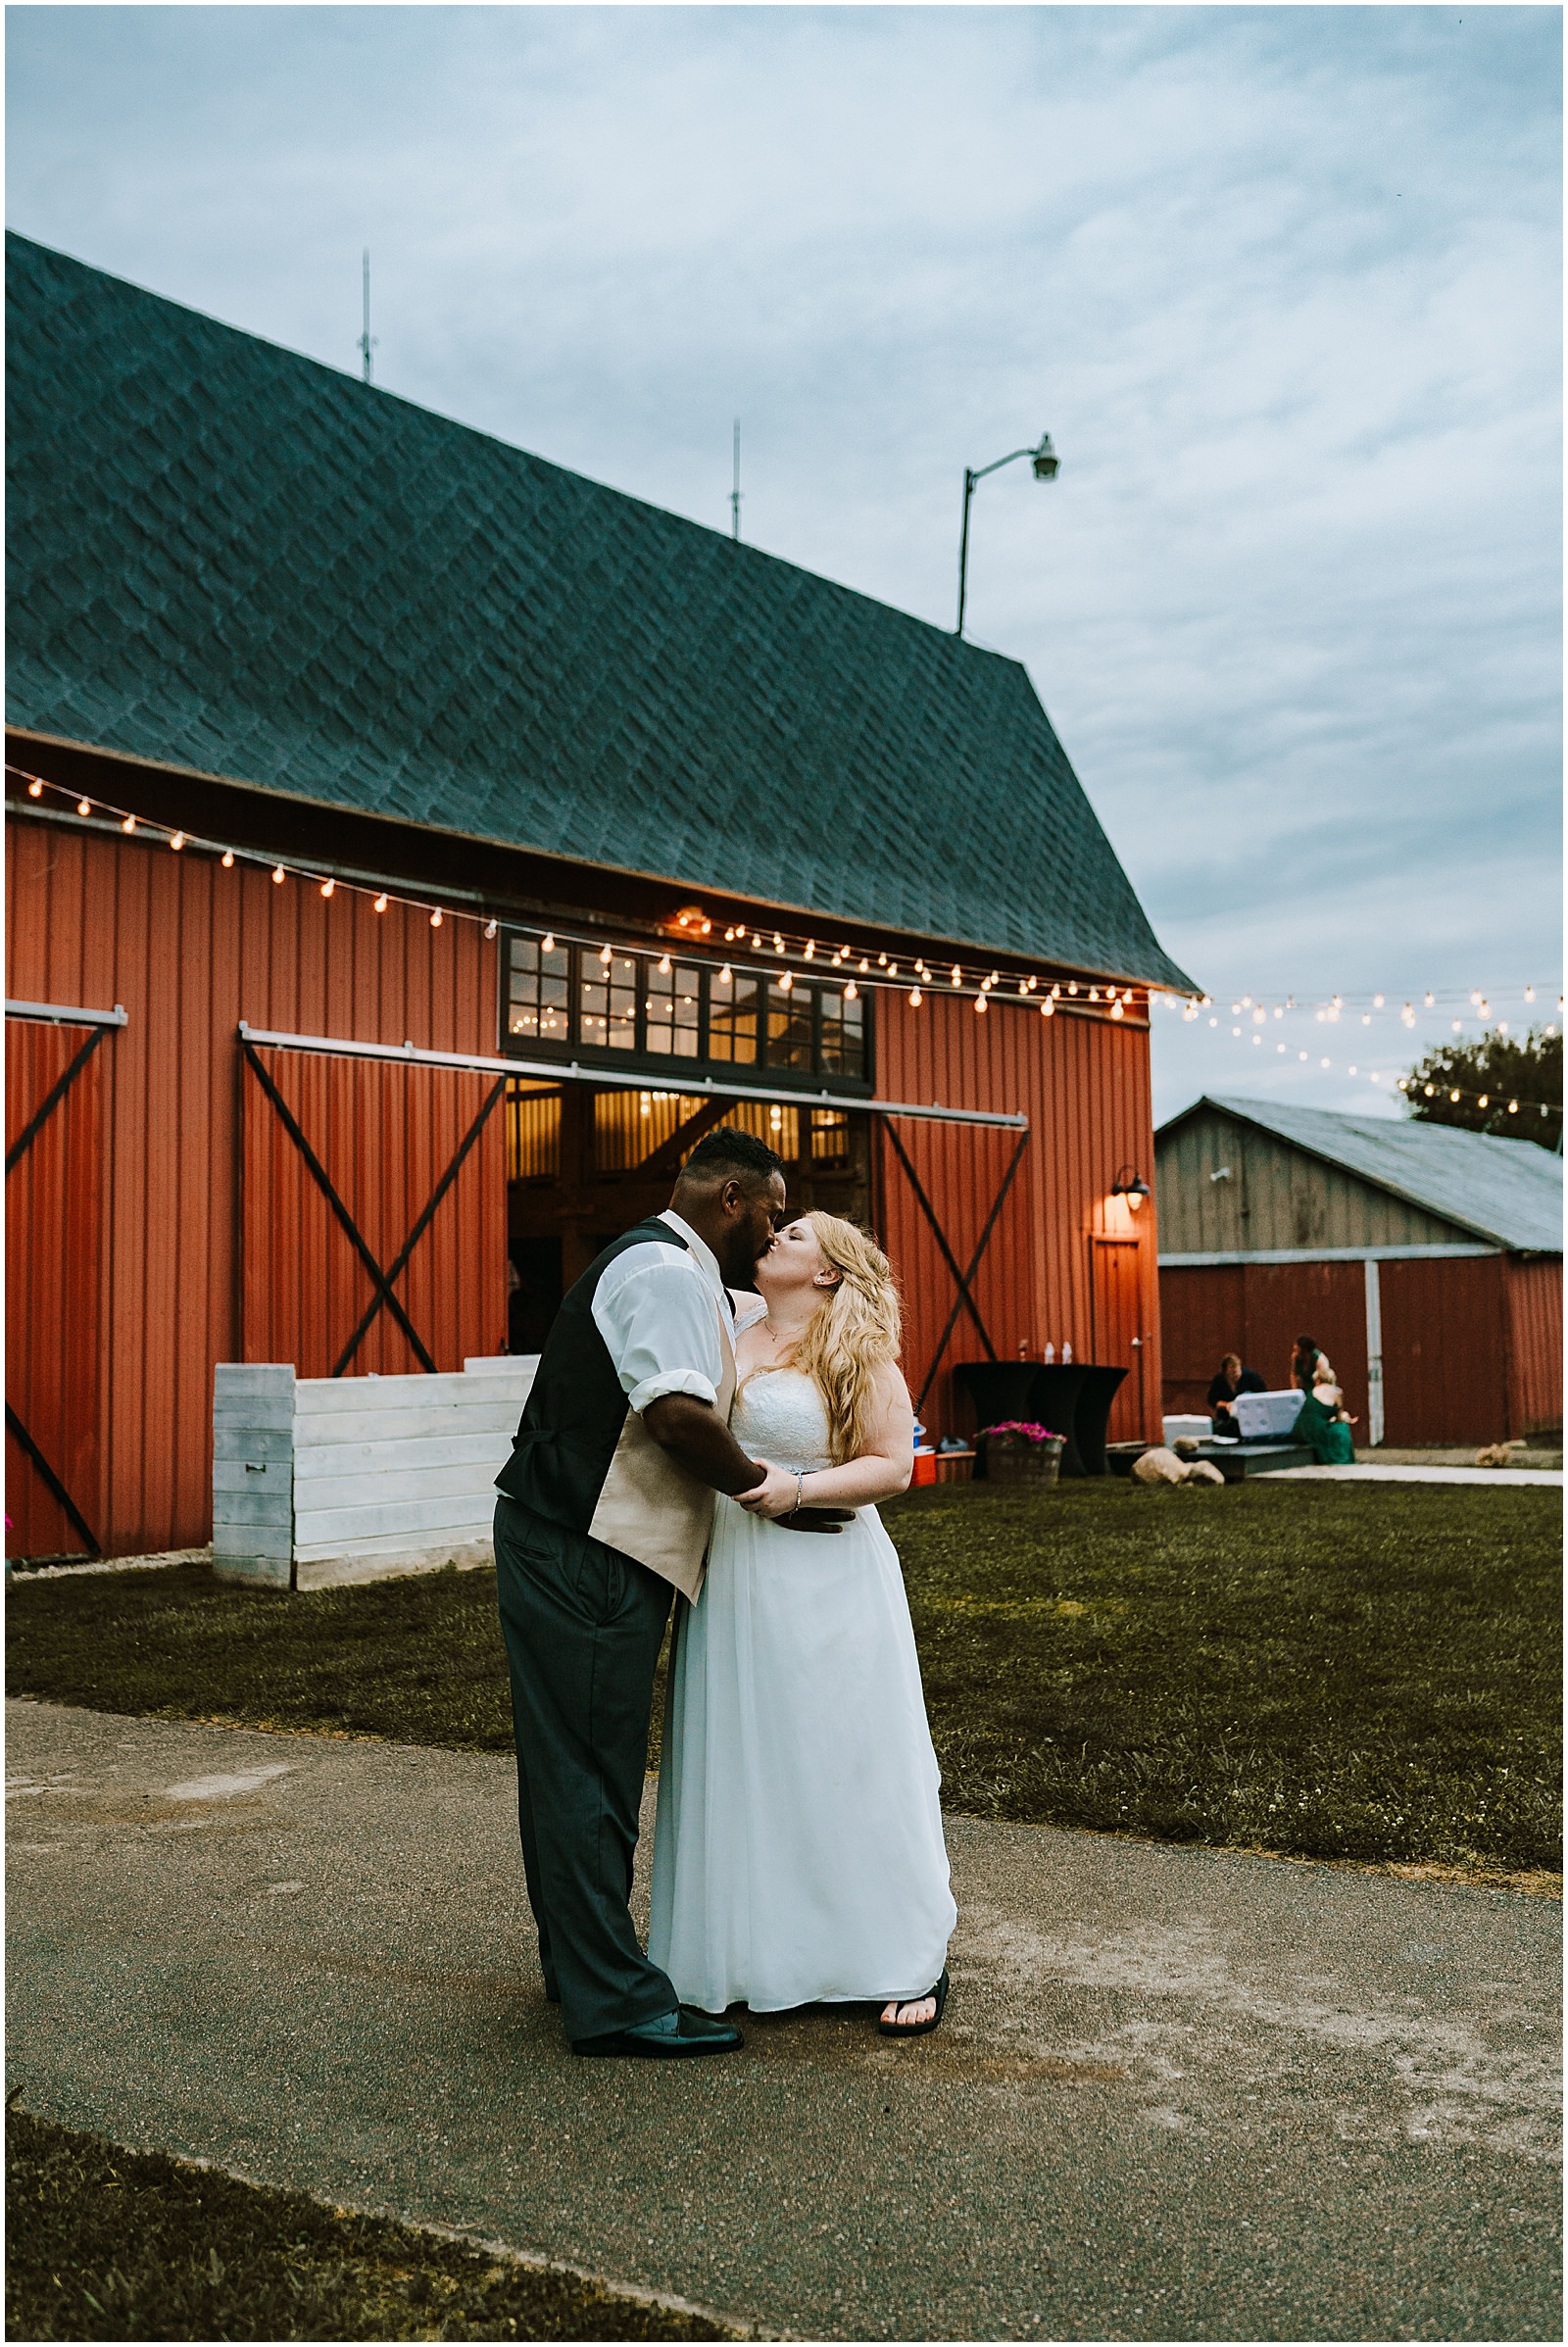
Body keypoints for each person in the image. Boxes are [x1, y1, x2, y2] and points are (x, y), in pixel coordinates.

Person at [491, 1128, 848, 2062]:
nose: (772, 1231)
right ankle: (613, 2001)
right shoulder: (660, 1271)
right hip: (588, 1545)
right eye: (770, 1210)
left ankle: (582, 1967)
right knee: (588, 1773)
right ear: (732, 1196)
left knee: (575, 1767)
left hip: (577, 1539)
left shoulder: (678, 1267)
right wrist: (773, 1490)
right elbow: (677, 1413)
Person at [649, 1211, 956, 2038]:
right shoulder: (732, 1319)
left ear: (827, 1273)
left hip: (830, 1570)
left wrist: (797, 1490)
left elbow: (892, 1463)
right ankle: (759, 1949)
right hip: (736, 1574)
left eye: (794, 1234)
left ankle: (903, 1952)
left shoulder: (856, 1349)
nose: (774, 1236)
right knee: (753, 1755)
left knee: (848, 1753)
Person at [1290, 1337, 1357, 1463]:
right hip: (1309, 1396)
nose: (1294, 1350)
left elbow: (1323, 1376)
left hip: (1302, 1425)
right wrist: (1295, 1391)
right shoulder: (1296, 1358)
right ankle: (1343, 1457)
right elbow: (1293, 1374)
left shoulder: (1320, 1360)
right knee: (1341, 1427)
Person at [1206, 1351, 1265, 1434]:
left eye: (1237, 1372)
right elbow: (1212, 1399)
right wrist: (1226, 1405)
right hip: (1226, 1418)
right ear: (1225, 1372)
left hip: (1250, 1417)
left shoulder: (1252, 1377)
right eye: (1231, 1373)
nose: (1235, 1375)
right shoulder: (1219, 1380)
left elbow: (1263, 1396)